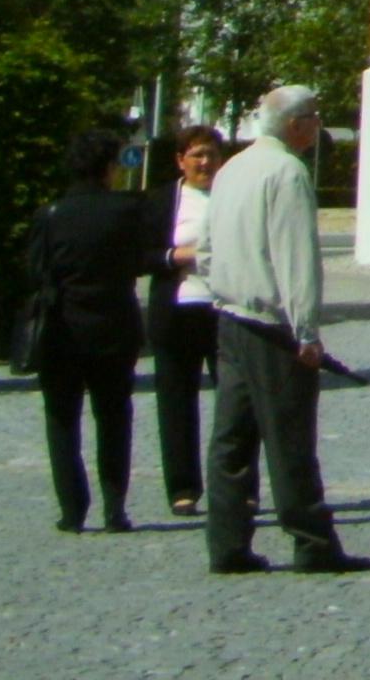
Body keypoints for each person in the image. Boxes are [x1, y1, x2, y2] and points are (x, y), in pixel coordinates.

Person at [199, 84, 366, 576]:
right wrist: (307, 331)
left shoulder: (233, 168)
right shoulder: (287, 172)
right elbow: (296, 259)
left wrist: (225, 286)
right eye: (314, 116)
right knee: (289, 439)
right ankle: (312, 542)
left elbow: (206, 248)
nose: (318, 124)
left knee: (230, 442)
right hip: (273, 327)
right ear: (296, 124)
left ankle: (227, 543)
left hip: (230, 317)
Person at [24, 126, 164, 533]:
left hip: (62, 328)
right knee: (114, 416)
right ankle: (115, 507)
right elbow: (141, 260)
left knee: (62, 420)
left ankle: (72, 509)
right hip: (115, 325)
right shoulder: (128, 210)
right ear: (107, 167)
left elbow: (34, 271)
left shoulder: (51, 214)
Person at [147, 124, 228, 516]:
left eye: (211, 154)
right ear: (181, 161)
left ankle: (237, 486)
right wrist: (177, 255)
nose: (205, 162)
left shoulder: (234, 193)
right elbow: (142, 254)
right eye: (197, 155)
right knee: (176, 402)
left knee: (236, 402)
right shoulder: (162, 200)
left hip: (227, 308)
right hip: (178, 309)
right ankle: (183, 488)